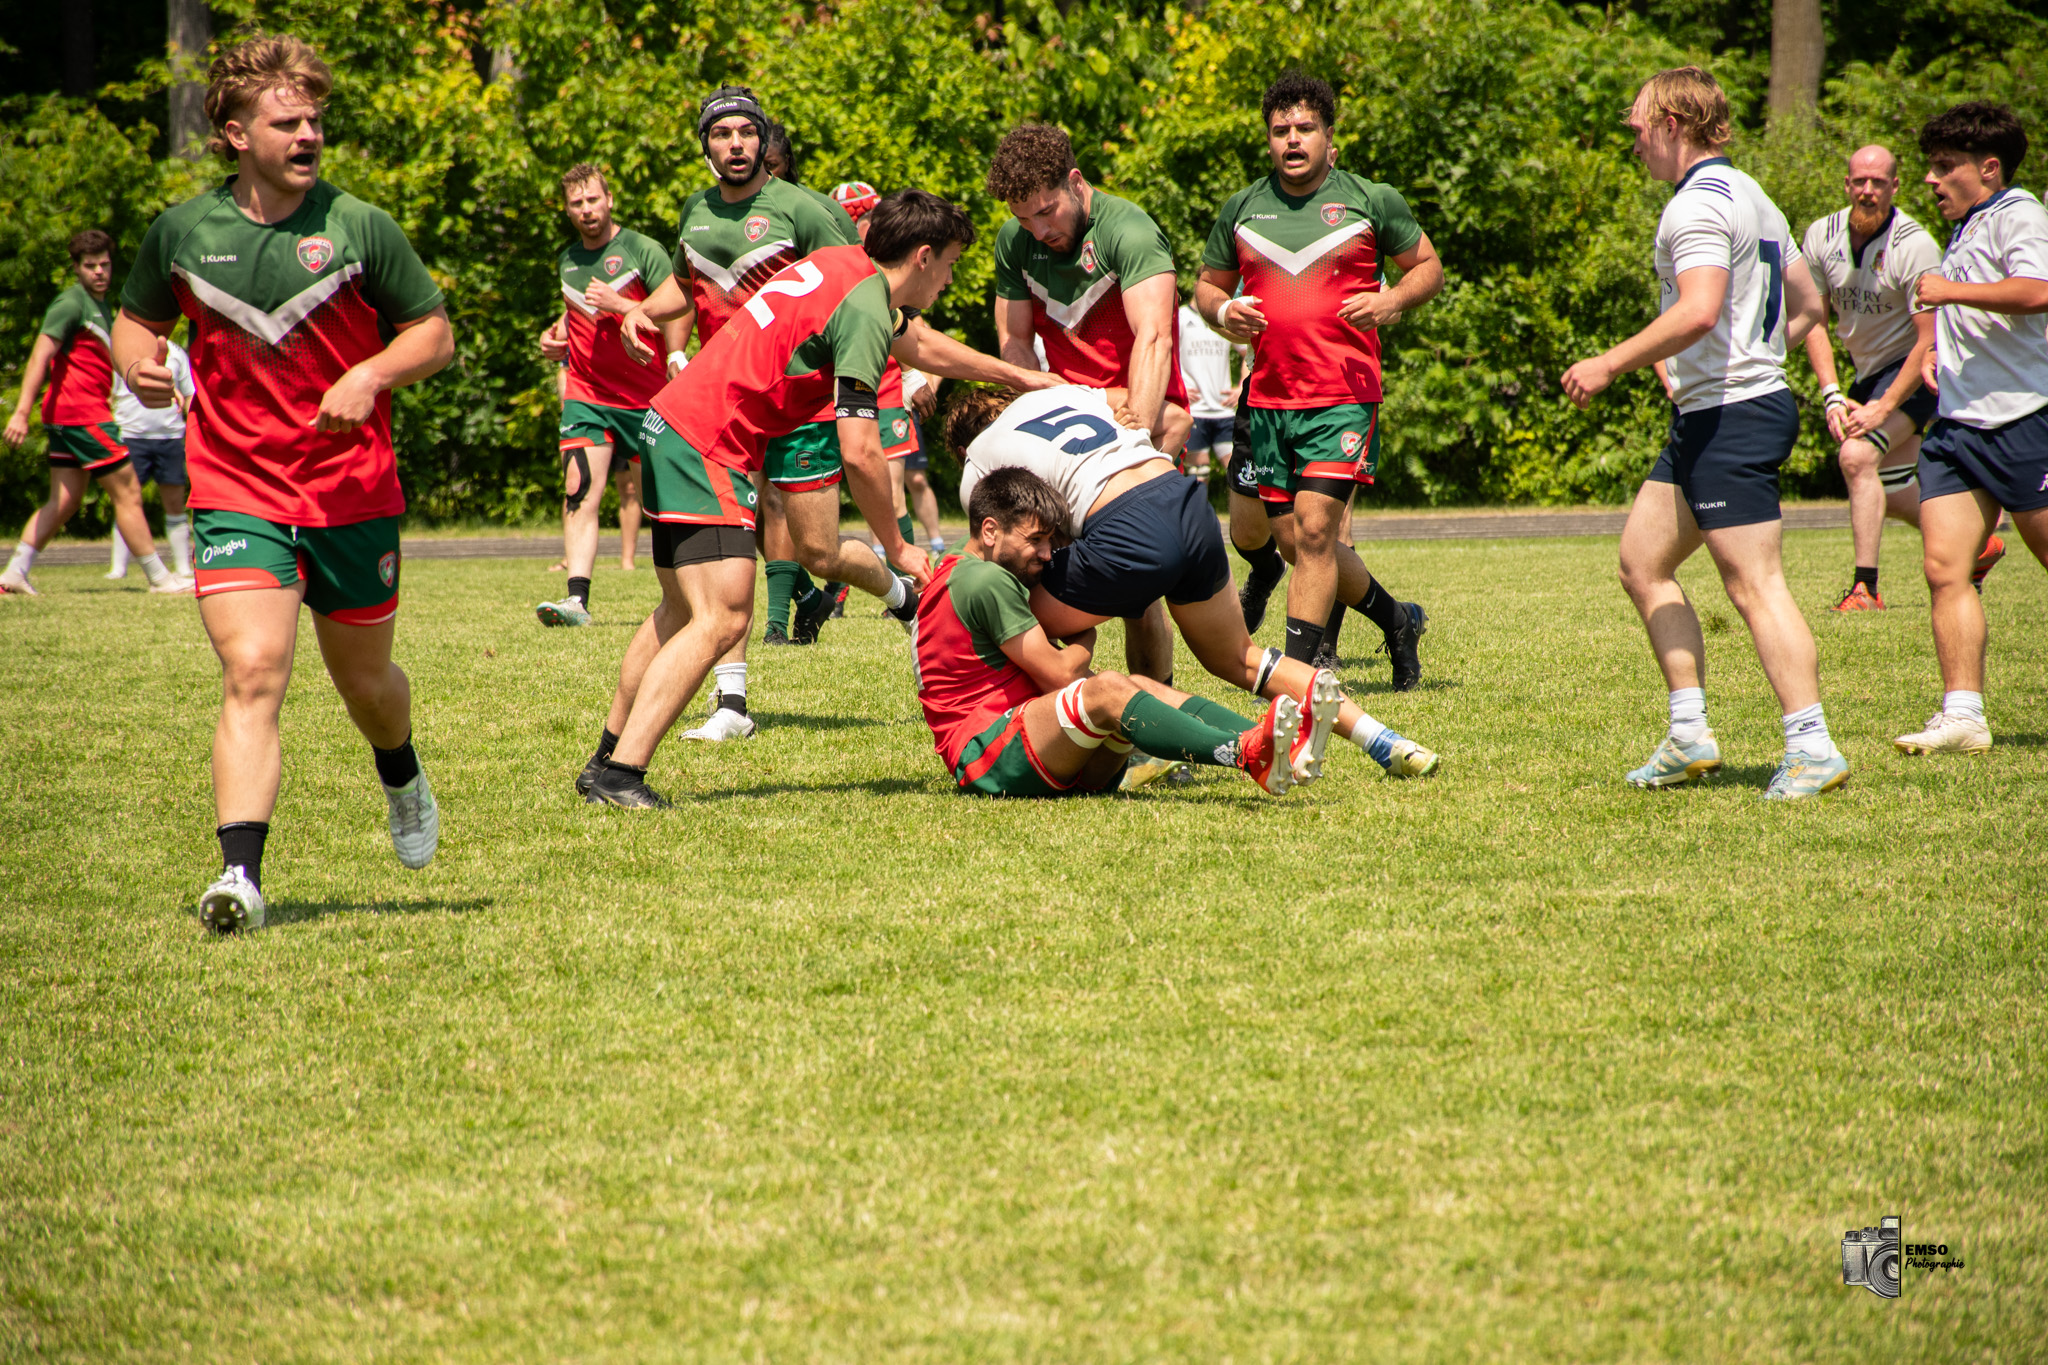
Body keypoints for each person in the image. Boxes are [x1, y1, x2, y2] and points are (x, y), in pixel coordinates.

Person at [112, 33, 457, 929]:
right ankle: (241, 878)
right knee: (255, 669)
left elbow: (434, 336)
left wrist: (373, 373)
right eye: (286, 121)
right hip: (235, 488)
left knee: (368, 689)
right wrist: (143, 366)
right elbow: (134, 325)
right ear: (233, 133)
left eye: (315, 121)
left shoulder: (359, 227)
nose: (308, 135)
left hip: (352, 492)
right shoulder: (184, 232)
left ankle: (402, 774)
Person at [582, 189, 1054, 808]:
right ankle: (623, 775)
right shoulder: (864, 309)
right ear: (923, 256)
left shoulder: (843, 266)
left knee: (677, 613)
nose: (948, 279)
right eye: (951, 264)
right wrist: (897, 546)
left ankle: (605, 760)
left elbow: (920, 346)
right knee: (722, 618)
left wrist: (1017, 375)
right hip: (708, 444)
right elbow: (860, 451)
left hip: (671, 427)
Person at [1561, 67, 1843, 800]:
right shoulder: (1753, 195)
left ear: (1674, 124)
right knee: (1640, 562)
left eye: (1637, 128)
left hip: (1733, 417)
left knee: (1755, 585)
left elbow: (1699, 310)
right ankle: (1689, 734)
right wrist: (1729, 361)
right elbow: (1809, 304)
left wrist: (1610, 363)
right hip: (1716, 411)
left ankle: (1812, 745)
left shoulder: (1694, 208)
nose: (1633, 143)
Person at [950, 383, 1442, 781]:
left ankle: (1139, 747)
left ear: (961, 447)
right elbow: (1141, 405)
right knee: (1242, 659)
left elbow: (1008, 559)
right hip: (1181, 497)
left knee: (1014, 612)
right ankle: (1383, 739)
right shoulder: (1051, 395)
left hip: (1122, 523)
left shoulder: (979, 465)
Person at [617, 88, 859, 738]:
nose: (734, 145)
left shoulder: (802, 209)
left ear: (761, 141)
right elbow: (684, 285)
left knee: (818, 547)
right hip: (725, 406)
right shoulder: (694, 211)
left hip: (798, 396)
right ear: (706, 144)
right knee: (735, 545)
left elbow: (860, 283)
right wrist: (642, 309)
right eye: (720, 134)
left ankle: (904, 595)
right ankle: (732, 704)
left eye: (744, 133)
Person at [1195, 71, 1440, 688]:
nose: (1293, 140)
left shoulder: (1370, 200)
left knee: (1314, 530)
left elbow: (1427, 268)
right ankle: (1395, 620)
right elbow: (1206, 288)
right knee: (1293, 542)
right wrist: (1226, 312)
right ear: (1268, 140)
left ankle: (1298, 680)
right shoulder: (1243, 208)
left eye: (1305, 128)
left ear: (1332, 137)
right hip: (1269, 398)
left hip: (1344, 397)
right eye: (1281, 131)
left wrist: (1392, 303)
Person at [917, 466, 1306, 798]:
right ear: (989, 531)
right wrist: (1085, 635)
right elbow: (1060, 675)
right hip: (987, 755)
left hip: (1035, 745)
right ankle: (1246, 751)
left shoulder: (959, 566)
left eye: (1050, 541)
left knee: (1138, 686)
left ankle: (1274, 740)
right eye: (1034, 540)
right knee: (1108, 689)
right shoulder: (984, 580)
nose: (1046, 554)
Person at [987, 123, 1191, 680]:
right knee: (1030, 563)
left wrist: (1135, 440)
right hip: (1068, 417)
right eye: (1023, 217)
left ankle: (1155, 728)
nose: (1037, 228)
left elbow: (1154, 338)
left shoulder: (1129, 230)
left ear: (1075, 183)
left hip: (1140, 413)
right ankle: (1054, 713)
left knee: (1136, 590)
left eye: (1047, 212)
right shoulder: (1016, 240)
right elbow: (1013, 345)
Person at [1892, 102, 2048, 756]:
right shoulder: (1965, 227)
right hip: (1958, 430)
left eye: (1944, 165)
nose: (1931, 179)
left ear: (1988, 168)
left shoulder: (2019, 215)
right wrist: (1940, 354)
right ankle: (1964, 714)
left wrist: (1948, 296)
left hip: (2023, 419)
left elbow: (2037, 289)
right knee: (1944, 567)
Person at [1800, 146, 1983, 610]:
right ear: (1846, 184)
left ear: (1894, 188)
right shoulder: (1820, 236)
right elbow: (1812, 321)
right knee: (1895, 487)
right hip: (1866, 374)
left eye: (1878, 182)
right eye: (1860, 181)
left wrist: (1884, 407)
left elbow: (1929, 339)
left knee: (1857, 457)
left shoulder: (1914, 245)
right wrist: (1831, 394)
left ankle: (1866, 589)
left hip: (1916, 370)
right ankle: (1979, 548)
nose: (1867, 191)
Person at [532, 162, 682, 627]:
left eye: (593, 200)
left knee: (661, 504)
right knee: (578, 489)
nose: (586, 210)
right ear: (567, 209)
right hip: (587, 393)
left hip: (646, 397)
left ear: (610, 199)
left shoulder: (641, 250)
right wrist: (552, 337)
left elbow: (679, 308)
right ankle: (576, 601)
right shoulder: (567, 259)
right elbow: (574, 315)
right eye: (576, 203)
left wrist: (626, 308)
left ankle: (679, 598)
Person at [2, 230, 192, 597]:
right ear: (76, 268)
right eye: (90, 266)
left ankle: (13, 572)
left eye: (104, 264)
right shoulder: (71, 304)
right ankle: (159, 578)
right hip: (81, 414)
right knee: (129, 492)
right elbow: (40, 356)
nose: (99, 272)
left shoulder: (101, 305)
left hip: (69, 414)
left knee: (66, 500)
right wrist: (20, 413)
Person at [831, 180, 943, 562]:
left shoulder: (894, 266)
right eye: (862, 219)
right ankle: (836, 586)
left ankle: (910, 582)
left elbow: (912, 328)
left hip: (889, 389)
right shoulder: (836, 258)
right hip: (840, 386)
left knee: (892, 489)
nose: (868, 228)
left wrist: (913, 377)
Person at [107, 334, 198, 580]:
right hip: (131, 436)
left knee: (175, 504)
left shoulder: (178, 353)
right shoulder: (124, 353)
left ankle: (183, 568)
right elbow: (110, 394)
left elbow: (190, 396)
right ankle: (118, 569)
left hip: (170, 437)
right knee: (127, 501)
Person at [1176, 299, 1239, 482]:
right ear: (1197, 284)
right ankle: (1199, 511)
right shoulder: (1181, 316)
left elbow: (1248, 350)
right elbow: (1165, 352)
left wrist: (1242, 386)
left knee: (1236, 469)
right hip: (1195, 409)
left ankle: (1239, 510)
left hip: (1224, 409)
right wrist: (1179, 388)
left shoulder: (1224, 318)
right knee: (1198, 471)